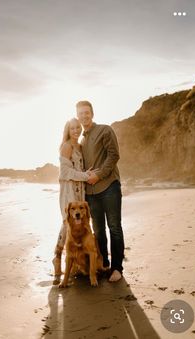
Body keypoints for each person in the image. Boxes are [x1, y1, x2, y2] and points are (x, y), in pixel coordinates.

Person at [76, 100, 125, 282]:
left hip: (109, 186)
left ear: (92, 113)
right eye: (80, 113)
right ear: (78, 116)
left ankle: (117, 268)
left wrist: (99, 176)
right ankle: (104, 264)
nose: (84, 116)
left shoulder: (105, 130)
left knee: (114, 227)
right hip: (91, 193)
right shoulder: (81, 139)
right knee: (98, 230)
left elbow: (114, 155)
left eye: (86, 112)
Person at [52, 118, 91, 284]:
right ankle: (57, 257)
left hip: (80, 190)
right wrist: (85, 176)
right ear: (67, 130)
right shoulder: (66, 146)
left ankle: (74, 262)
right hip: (69, 191)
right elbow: (65, 172)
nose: (75, 130)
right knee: (67, 223)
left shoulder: (80, 146)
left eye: (77, 127)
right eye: (72, 128)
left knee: (78, 224)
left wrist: (84, 176)